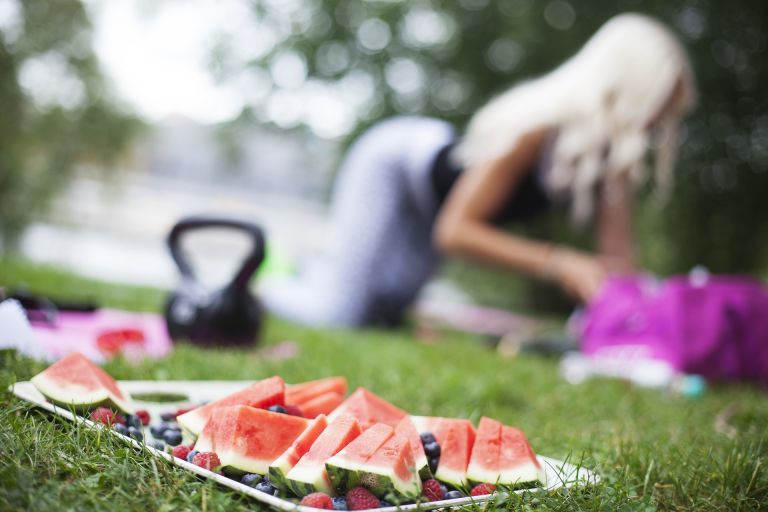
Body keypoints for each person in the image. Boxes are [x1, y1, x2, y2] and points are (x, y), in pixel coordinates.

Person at [260, 13, 697, 328]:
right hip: (393, 164)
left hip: (431, 205)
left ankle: (312, 273)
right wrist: (559, 262)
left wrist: (647, 319)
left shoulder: (608, 164)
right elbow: (455, 232)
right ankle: (266, 281)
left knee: (385, 311)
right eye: (659, 104)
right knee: (343, 314)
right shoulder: (537, 129)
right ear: (631, 86)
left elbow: (620, 265)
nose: (660, 122)